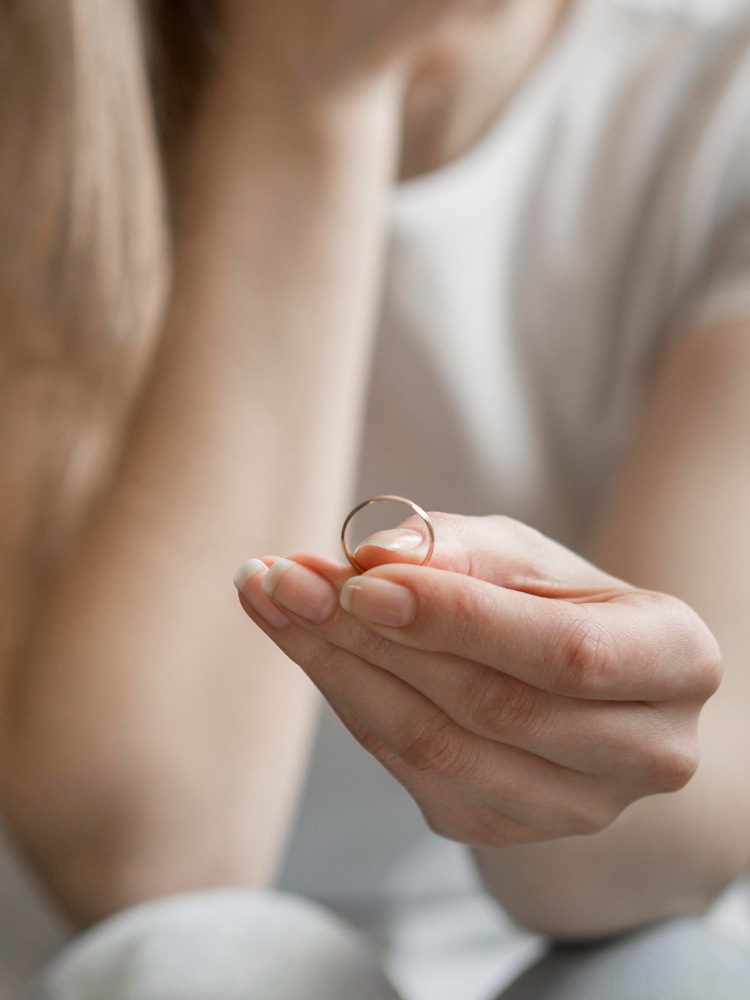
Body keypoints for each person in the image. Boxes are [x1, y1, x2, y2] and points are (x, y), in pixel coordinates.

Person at [1, 0, 750, 997]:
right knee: (194, 970)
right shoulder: (52, 78)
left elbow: (685, 823)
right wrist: (309, 92)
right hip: (150, 957)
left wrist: (574, 735)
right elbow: (149, 861)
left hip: (591, 931)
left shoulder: (714, 99)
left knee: (676, 974)